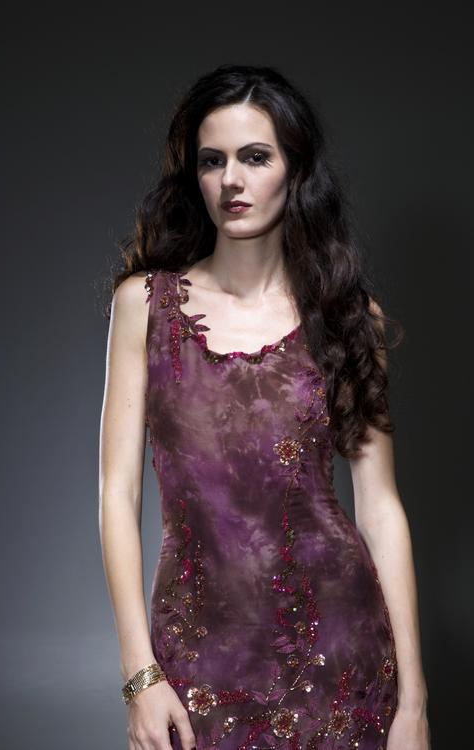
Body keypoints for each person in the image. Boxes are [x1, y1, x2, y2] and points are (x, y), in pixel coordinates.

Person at [99, 64, 431, 750]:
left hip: (342, 651)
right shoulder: (144, 306)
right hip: (197, 660)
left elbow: (379, 508)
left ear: (296, 169)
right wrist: (139, 673)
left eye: (255, 157)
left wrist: (414, 702)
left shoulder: (347, 317)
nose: (231, 180)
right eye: (212, 160)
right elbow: (116, 493)